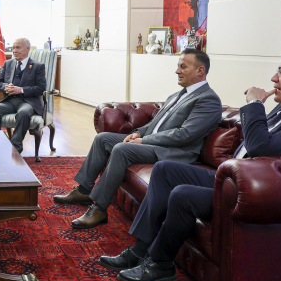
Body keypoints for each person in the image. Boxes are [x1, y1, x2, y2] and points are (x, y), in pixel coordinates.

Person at [103, 46, 281, 281]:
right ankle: (139, 250)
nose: (274, 78)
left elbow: (260, 146)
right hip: (238, 178)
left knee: (183, 195)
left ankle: (160, 264)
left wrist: (254, 105)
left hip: (256, 193)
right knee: (165, 169)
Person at [54, 48, 222, 229]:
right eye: (178, 66)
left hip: (173, 152)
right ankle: (83, 191)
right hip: (154, 143)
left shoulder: (208, 100)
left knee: (122, 149)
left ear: (200, 70)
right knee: (103, 139)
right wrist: (139, 133)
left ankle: (99, 209)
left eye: (183, 66)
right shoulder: (178, 94)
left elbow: (185, 134)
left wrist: (145, 140)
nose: (177, 71)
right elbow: (157, 123)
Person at [0, 38, 46, 154]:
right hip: (9, 101)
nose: (14, 51)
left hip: (27, 102)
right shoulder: (8, 64)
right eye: (13, 48)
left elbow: (41, 88)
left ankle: (15, 148)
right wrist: (6, 87)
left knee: (23, 113)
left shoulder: (38, 66)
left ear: (27, 49)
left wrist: (21, 90)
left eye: (18, 48)